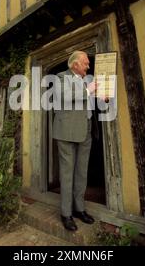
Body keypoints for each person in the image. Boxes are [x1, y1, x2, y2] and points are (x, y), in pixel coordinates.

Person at [53, 51, 98, 231]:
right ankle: (66, 213)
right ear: (75, 64)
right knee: (67, 173)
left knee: (81, 172)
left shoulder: (86, 81)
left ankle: (79, 209)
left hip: (86, 129)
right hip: (67, 131)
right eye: (85, 63)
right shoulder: (60, 77)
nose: (88, 66)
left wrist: (98, 97)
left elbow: (85, 100)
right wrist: (89, 90)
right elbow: (65, 96)